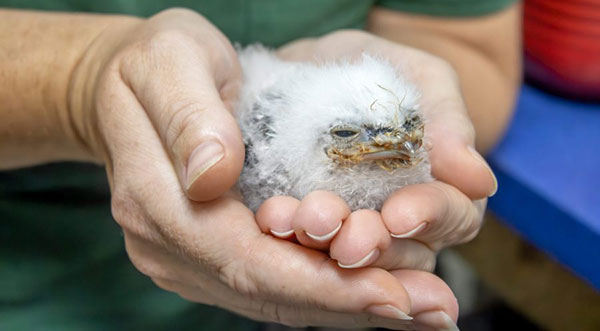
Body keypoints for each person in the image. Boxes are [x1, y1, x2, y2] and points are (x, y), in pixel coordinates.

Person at [0, 1, 521, 330]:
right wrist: (79, 81)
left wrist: (448, 123)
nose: (395, 148)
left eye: (408, 132)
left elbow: (463, 42)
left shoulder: (346, 140)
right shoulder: (271, 137)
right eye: (347, 137)